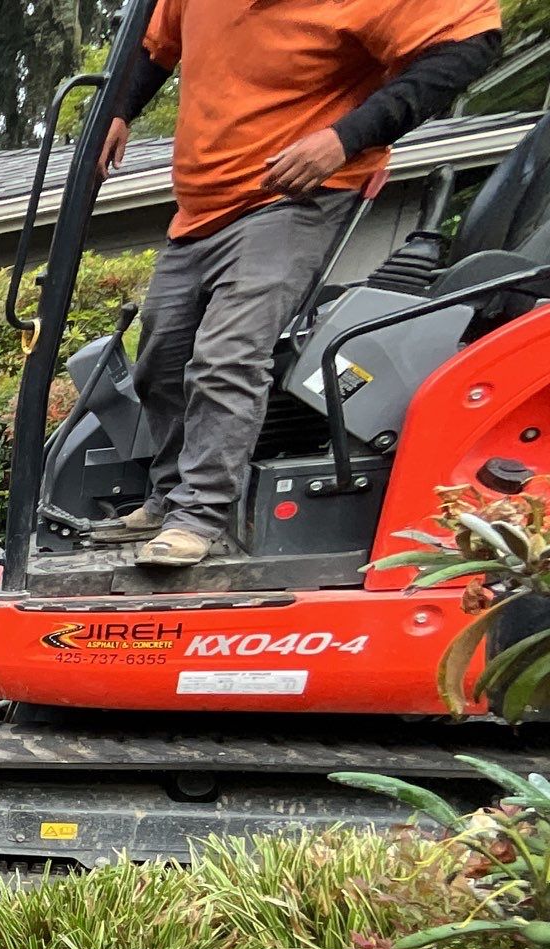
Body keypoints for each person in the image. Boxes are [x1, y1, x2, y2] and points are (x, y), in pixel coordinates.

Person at [105, 0, 502, 568]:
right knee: (161, 360)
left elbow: (470, 42)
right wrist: (117, 111)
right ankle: (169, 495)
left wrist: (345, 137)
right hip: (200, 207)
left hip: (294, 196)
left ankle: (198, 514)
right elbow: (151, 48)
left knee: (226, 356)